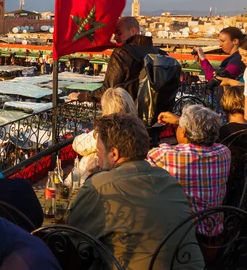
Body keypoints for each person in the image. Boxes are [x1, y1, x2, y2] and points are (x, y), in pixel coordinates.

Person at [66, 113, 204, 269]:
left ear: (114, 153)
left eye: (99, 150)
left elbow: (72, 234)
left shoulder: (100, 186)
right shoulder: (168, 179)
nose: (97, 155)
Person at [148, 105, 231, 239]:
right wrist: (178, 121)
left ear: (183, 132)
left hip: (180, 237)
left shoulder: (165, 155)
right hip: (215, 237)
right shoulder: (224, 153)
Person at [69, 16, 166, 103]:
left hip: (129, 116)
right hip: (158, 117)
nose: (115, 37)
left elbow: (108, 91)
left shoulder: (122, 53)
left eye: (119, 33)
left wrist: (81, 96)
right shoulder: (161, 54)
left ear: (133, 31)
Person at [71, 88, 137, 184]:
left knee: (89, 159)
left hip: (106, 180)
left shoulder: (107, 132)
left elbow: (78, 145)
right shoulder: (136, 128)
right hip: (125, 176)